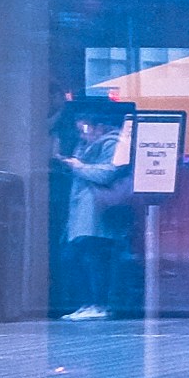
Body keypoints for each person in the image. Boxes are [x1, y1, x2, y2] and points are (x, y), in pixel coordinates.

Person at [46, 91, 135, 322]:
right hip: (83, 208)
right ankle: (88, 303)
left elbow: (107, 173)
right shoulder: (86, 145)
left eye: (86, 128)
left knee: (92, 257)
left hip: (96, 210)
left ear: (100, 127)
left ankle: (98, 303)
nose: (82, 133)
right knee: (78, 256)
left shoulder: (113, 143)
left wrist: (77, 166)